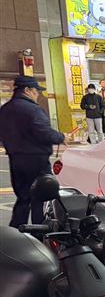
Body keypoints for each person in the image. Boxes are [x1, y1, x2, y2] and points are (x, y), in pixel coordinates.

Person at [0, 76, 66, 227]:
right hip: (37, 160)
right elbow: (44, 133)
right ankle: (39, 233)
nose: (38, 95)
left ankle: (16, 233)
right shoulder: (33, 110)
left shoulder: (5, 110)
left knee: (23, 198)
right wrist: (60, 136)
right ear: (28, 90)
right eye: (36, 91)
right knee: (40, 198)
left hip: (16, 159)